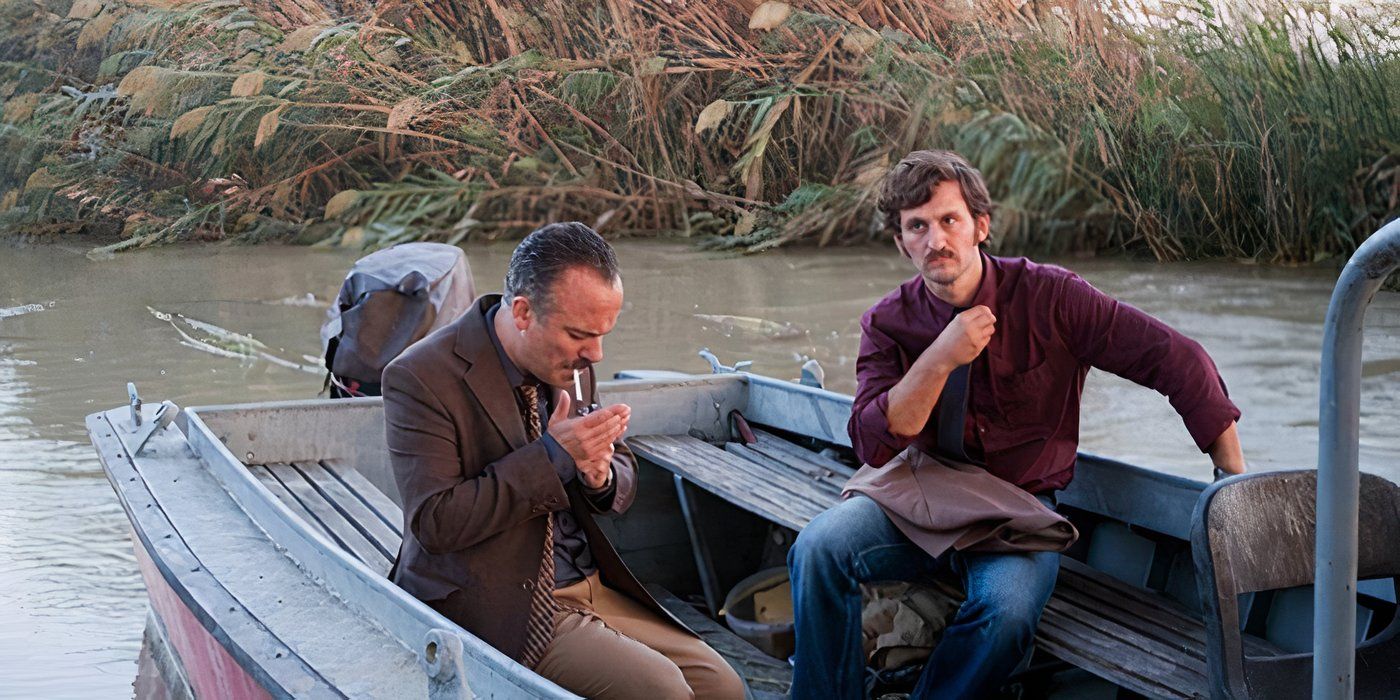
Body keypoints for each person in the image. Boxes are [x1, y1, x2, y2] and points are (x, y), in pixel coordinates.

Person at [787, 150, 1247, 699]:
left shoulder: (1052, 297)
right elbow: (872, 443)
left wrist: (1234, 482)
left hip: (1020, 512)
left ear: (981, 225)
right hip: (918, 499)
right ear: (901, 242)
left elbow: (1175, 359)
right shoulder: (888, 321)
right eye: (918, 227)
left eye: (949, 220)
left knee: (1004, 612)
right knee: (817, 549)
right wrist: (940, 356)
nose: (936, 240)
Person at [381, 222, 745, 699]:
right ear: (523, 312)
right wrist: (554, 458)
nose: (595, 354)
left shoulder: (573, 365)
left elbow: (620, 468)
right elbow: (434, 522)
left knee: (723, 687)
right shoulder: (420, 376)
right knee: (665, 692)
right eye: (580, 335)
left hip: (591, 583)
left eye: (602, 335)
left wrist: (600, 476)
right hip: (501, 600)